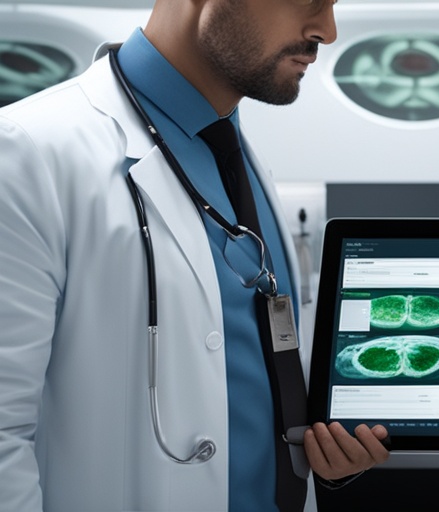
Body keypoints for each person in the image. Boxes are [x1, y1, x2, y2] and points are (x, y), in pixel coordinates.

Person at [0, 0, 390, 510]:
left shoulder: (236, 154)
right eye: (309, 1)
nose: (327, 30)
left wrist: (325, 456)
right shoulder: (27, 152)